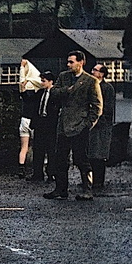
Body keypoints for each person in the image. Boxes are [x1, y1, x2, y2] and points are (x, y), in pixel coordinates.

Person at [43, 50, 103, 201]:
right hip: (64, 125)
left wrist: (87, 124)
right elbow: (54, 92)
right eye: (68, 61)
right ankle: (61, 189)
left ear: (81, 62)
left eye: (72, 62)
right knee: (60, 158)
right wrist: (66, 90)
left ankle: (87, 189)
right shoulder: (64, 77)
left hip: (80, 125)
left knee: (81, 158)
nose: (68, 64)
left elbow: (97, 106)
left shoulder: (90, 81)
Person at [28, 71, 60, 183]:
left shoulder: (56, 93)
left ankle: (51, 173)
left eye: (44, 81)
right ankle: (37, 173)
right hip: (40, 123)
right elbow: (33, 104)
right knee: (38, 149)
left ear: (51, 81)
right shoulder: (40, 93)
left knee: (51, 150)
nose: (42, 83)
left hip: (51, 124)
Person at [88, 64, 115, 192]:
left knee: (99, 154)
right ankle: (90, 179)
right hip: (91, 125)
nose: (92, 72)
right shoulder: (90, 85)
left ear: (102, 74)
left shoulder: (107, 88)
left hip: (101, 126)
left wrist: (100, 120)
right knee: (90, 154)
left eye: (95, 70)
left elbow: (108, 108)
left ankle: (99, 181)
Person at [18, 57, 42, 179]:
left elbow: (22, 85)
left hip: (24, 120)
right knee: (38, 146)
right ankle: (39, 167)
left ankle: (21, 168)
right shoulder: (39, 95)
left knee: (24, 147)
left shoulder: (25, 94)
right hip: (34, 121)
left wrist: (22, 68)